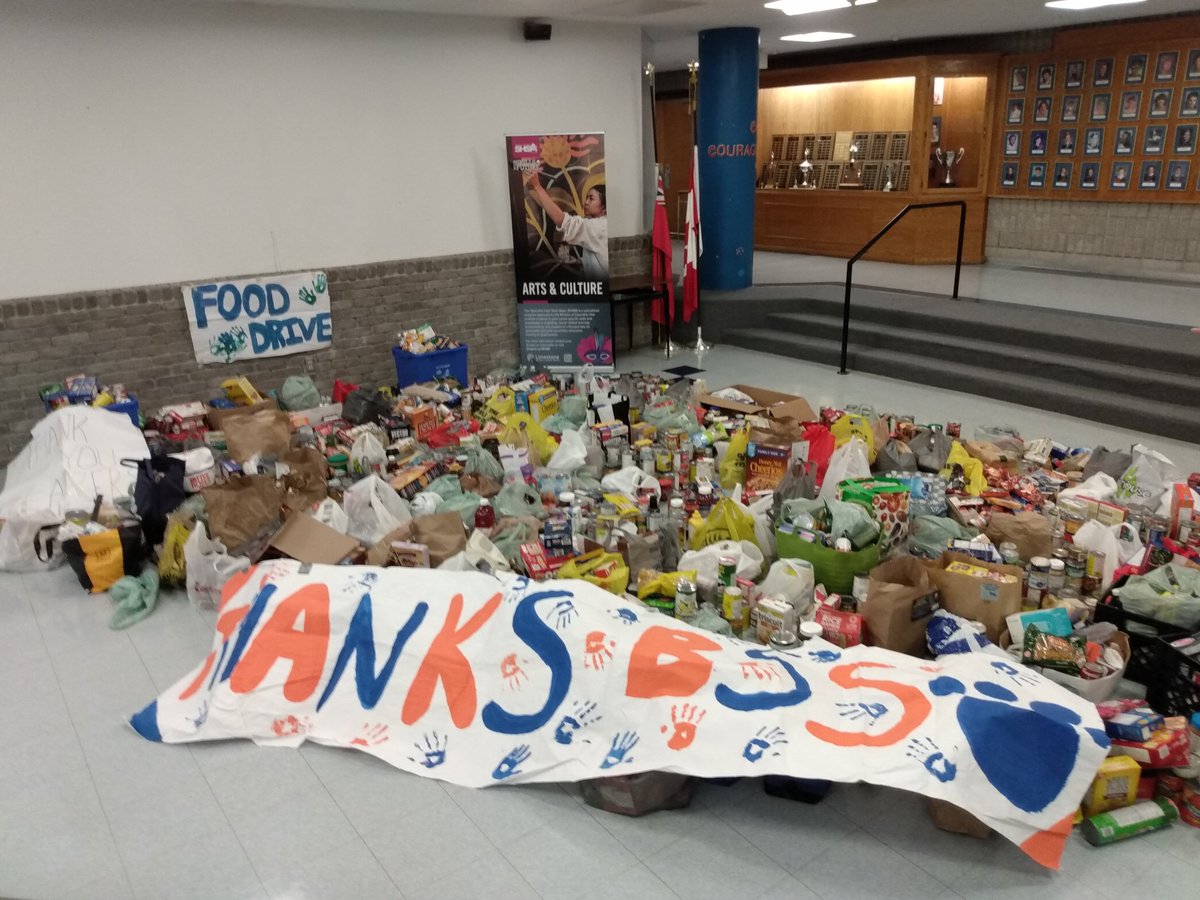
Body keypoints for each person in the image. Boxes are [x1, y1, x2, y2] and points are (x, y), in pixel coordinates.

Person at [524, 165, 608, 279]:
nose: (586, 202)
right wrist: (580, 261)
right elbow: (601, 258)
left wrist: (537, 186)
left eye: (591, 198)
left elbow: (565, 222)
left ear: (604, 208)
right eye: (587, 198)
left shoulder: (599, 227)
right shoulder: (601, 224)